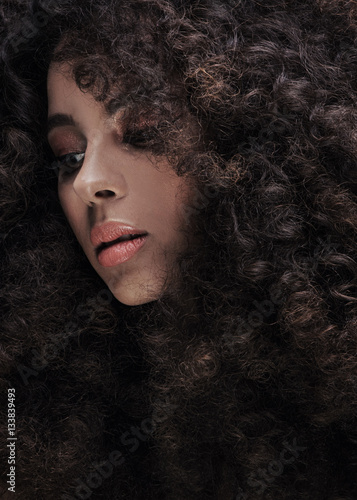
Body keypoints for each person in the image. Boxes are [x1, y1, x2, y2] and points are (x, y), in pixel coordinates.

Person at [1, 0, 357, 498]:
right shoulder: (38, 419)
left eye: (143, 132)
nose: (87, 181)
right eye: (70, 155)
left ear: (240, 137)